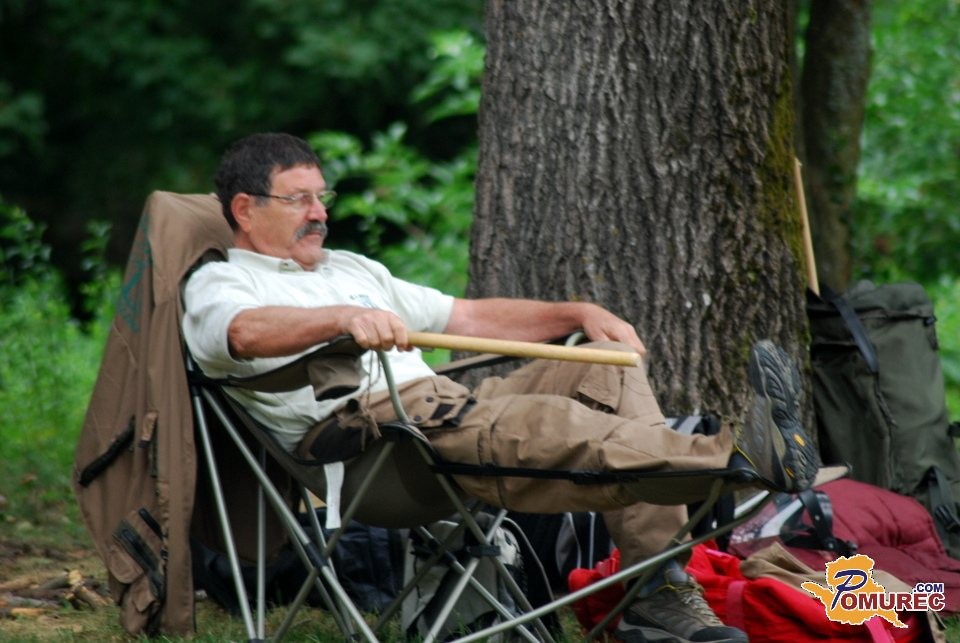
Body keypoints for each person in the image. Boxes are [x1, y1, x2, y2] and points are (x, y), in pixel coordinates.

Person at [183, 132, 817, 643]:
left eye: (322, 198)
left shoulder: (349, 268)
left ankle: (657, 588)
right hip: (381, 452)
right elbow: (239, 334)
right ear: (245, 209)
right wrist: (339, 320)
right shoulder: (222, 283)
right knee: (554, 427)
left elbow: (466, 316)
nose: (320, 213)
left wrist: (576, 313)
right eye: (299, 200)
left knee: (606, 362)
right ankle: (733, 459)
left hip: (439, 413)